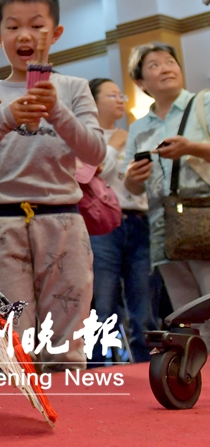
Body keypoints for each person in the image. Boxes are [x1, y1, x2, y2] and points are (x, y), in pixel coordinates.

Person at [0, 0, 106, 371]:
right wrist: (4, 118)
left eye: (37, 26)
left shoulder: (72, 89)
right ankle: (16, 425)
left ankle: (69, 423)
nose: (25, 35)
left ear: (55, 33)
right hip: (5, 224)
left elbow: (95, 152)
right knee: (10, 340)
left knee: (66, 339)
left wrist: (57, 111)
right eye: (13, 27)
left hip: (64, 221)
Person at [125, 43, 210, 341]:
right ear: (140, 82)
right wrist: (133, 178)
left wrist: (192, 148)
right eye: (155, 65)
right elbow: (132, 186)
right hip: (163, 222)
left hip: (203, 211)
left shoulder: (204, 103)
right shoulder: (138, 128)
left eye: (170, 61)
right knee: (186, 312)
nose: (166, 68)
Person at [85, 77, 154, 364]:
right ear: (93, 101)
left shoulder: (136, 134)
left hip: (138, 221)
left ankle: (149, 367)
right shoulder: (85, 136)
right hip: (101, 227)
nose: (121, 100)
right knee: (102, 305)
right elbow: (90, 175)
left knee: (144, 307)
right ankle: (97, 370)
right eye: (112, 95)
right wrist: (113, 144)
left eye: (122, 96)